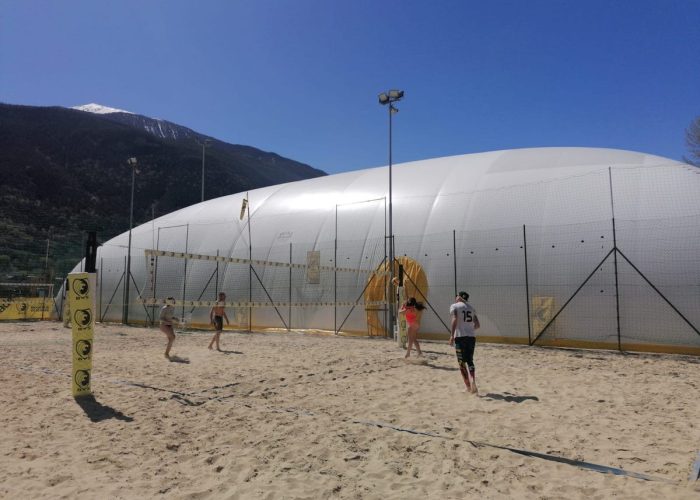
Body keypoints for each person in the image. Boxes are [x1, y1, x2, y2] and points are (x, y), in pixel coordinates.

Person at [449, 291, 480, 394]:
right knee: (470, 360)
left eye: (456, 295)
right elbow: (477, 325)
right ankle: (473, 380)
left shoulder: (455, 306)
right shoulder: (471, 308)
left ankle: (468, 387)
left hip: (460, 337)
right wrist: (469, 328)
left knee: (462, 363)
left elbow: (454, 319)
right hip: (471, 337)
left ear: (459, 297)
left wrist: (452, 335)